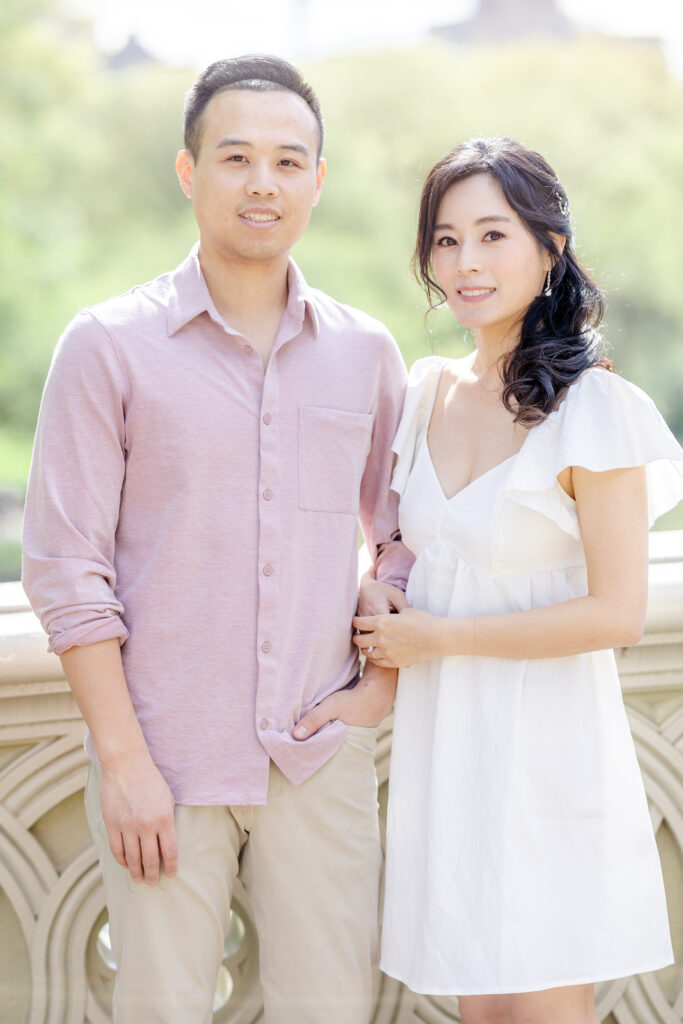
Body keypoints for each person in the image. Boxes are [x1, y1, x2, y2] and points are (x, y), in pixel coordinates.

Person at [22, 55, 412, 1024]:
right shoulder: (107, 345)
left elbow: (405, 538)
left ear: (317, 182)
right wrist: (125, 763)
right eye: (236, 157)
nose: (263, 183)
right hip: (163, 759)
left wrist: (378, 689)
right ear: (189, 171)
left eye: (288, 161)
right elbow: (67, 569)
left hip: (318, 760)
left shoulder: (365, 354)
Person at [296, 137, 683, 1024]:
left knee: (545, 1006)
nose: (465, 262)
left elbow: (617, 611)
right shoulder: (425, 390)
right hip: (449, 745)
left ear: (548, 247)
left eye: (491, 235)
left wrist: (441, 639)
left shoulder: (597, 408)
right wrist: (373, 596)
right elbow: (402, 549)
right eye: (444, 239)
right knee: (481, 1012)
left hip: (548, 749)